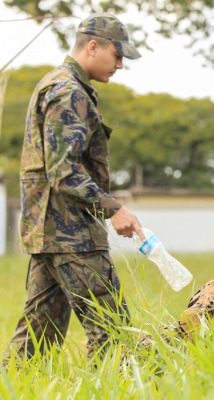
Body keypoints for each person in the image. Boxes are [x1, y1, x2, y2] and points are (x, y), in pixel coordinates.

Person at [3, 13, 144, 361]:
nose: (121, 65)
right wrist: (114, 209)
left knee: (36, 337)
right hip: (71, 233)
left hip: (50, 232)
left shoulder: (62, 85)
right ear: (93, 46)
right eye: (118, 55)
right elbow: (64, 172)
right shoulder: (69, 92)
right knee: (112, 329)